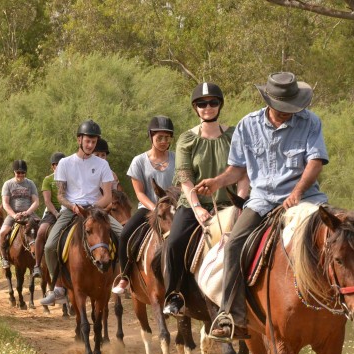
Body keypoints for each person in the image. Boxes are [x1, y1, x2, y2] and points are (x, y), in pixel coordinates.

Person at [196, 72, 329, 341]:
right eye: (282, 108)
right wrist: (216, 182)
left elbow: (315, 161)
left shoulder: (310, 122)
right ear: (269, 101)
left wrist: (297, 192)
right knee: (233, 245)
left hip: (305, 199)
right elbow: (237, 169)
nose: (286, 113)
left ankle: (340, 302)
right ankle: (233, 316)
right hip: (262, 200)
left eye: (291, 108)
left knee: (339, 234)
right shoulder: (247, 125)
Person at [162, 83, 250, 317]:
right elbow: (185, 178)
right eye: (202, 103)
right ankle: (175, 295)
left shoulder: (234, 135)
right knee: (174, 243)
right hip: (194, 205)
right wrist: (198, 208)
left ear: (220, 105)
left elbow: (243, 172)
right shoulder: (187, 139)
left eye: (213, 102)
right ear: (195, 108)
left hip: (231, 204)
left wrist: (240, 203)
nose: (208, 107)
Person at [41, 119, 124, 305]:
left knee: (124, 234)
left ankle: (124, 277)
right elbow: (61, 195)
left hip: (96, 210)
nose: (91, 145)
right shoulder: (64, 163)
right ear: (79, 139)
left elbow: (108, 196)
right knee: (49, 246)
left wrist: (93, 208)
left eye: (94, 142)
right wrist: (72, 206)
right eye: (87, 141)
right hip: (71, 210)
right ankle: (58, 286)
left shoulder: (103, 165)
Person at [111, 116, 176, 294]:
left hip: (173, 209)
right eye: (159, 138)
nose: (164, 141)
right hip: (148, 209)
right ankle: (124, 277)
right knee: (124, 235)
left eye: (167, 137)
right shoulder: (139, 161)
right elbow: (139, 193)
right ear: (151, 137)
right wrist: (155, 208)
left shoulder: (177, 159)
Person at [0, 160, 40, 269]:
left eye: (23, 172)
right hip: (13, 214)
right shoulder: (8, 184)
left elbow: (36, 201)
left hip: (29, 213)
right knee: (2, 233)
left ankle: (42, 258)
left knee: (42, 230)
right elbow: (5, 203)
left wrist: (28, 212)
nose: (20, 175)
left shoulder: (30, 183)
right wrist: (14, 215)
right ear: (14, 172)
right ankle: (4, 258)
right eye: (18, 172)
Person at [31, 152, 66, 279]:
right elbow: (47, 201)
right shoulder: (48, 179)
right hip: (53, 211)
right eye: (57, 165)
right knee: (41, 231)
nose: (60, 167)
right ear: (53, 166)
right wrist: (56, 213)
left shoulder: (70, 178)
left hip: (68, 209)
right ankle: (37, 265)